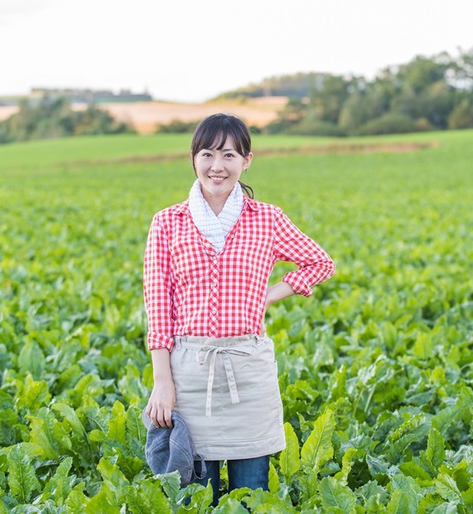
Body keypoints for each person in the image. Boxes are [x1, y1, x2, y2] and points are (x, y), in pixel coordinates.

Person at [142, 113, 335, 502]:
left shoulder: (267, 219)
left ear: (247, 160)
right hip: (189, 374)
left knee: (253, 494)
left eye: (229, 155)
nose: (217, 166)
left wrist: (269, 294)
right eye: (208, 154)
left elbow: (320, 263)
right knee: (199, 498)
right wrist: (162, 382)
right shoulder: (167, 223)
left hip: (248, 371)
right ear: (193, 158)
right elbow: (158, 307)